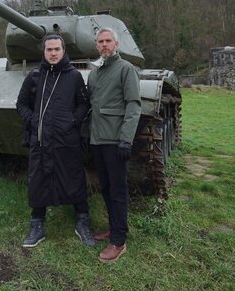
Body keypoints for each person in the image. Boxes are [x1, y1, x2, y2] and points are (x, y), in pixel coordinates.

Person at [16, 34, 94, 248]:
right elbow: (21, 104)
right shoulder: (34, 76)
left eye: (56, 49)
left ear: (63, 51)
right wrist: (34, 121)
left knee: (73, 176)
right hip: (41, 139)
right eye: (49, 49)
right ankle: (37, 224)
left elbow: (83, 104)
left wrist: (72, 121)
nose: (53, 53)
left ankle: (83, 221)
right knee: (38, 179)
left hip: (66, 139)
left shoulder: (74, 76)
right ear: (44, 52)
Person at [87, 27, 141, 263]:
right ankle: (113, 227)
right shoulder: (95, 73)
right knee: (106, 188)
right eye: (101, 42)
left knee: (118, 191)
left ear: (116, 44)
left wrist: (125, 140)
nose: (105, 45)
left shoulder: (125, 69)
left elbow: (133, 105)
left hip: (116, 141)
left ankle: (119, 241)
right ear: (97, 45)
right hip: (98, 140)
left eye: (109, 41)